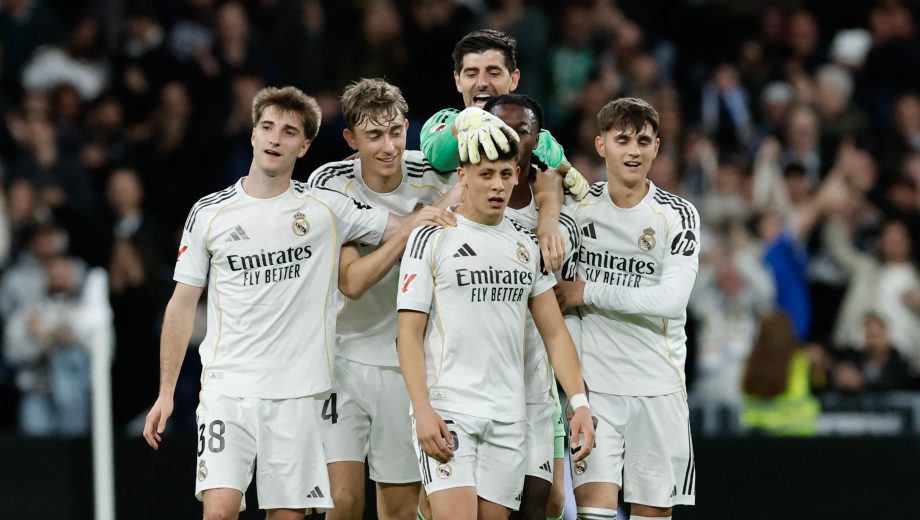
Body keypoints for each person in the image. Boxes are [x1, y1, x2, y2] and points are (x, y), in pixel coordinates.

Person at [141, 85, 453, 520]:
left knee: (289, 515)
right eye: (267, 127)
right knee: (219, 510)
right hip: (228, 390)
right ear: (252, 135)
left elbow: (405, 226)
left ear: (305, 145)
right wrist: (166, 392)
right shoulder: (209, 212)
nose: (274, 138)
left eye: (288, 132)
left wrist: (459, 189)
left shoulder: (325, 208)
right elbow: (180, 304)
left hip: (298, 395)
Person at [397, 136, 595, 520]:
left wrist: (579, 402)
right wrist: (421, 408)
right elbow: (407, 334)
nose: (497, 185)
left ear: (517, 175)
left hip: (508, 416)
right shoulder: (432, 237)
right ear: (463, 176)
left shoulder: (526, 245)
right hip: (449, 408)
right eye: (485, 174)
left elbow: (554, 333)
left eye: (506, 174)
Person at [307, 78, 455, 520]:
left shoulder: (434, 177)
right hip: (342, 360)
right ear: (351, 139)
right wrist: (410, 228)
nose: (388, 146)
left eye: (395, 132)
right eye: (373, 135)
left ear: (408, 127)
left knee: (399, 507)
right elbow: (351, 281)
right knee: (343, 500)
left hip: (405, 367)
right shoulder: (329, 182)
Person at [555, 97, 699, 519]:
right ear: (601, 145)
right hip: (597, 391)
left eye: (643, 141)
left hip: (659, 389)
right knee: (593, 515)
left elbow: (671, 301)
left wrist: (591, 291)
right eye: (622, 140)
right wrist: (576, 393)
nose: (633, 151)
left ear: (657, 147)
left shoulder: (678, 215)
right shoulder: (577, 212)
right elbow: (563, 303)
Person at [419, 28, 589, 271]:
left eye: (493, 72)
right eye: (471, 73)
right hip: (454, 259)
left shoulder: (538, 138)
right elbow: (437, 154)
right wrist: (465, 122)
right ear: (458, 80)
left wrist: (552, 206)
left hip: (518, 262)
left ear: (514, 78)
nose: (482, 83)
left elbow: (548, 175)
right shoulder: (445, 122)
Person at [483, 94, 577, 520]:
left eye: (522, 129)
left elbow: (557, 301)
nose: (511, 137)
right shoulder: (460, 199)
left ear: (538, 139)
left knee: (541, 501)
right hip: (473, 380)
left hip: (533, 377)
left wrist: (550, 213)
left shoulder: (555, 208)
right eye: (501, 127)